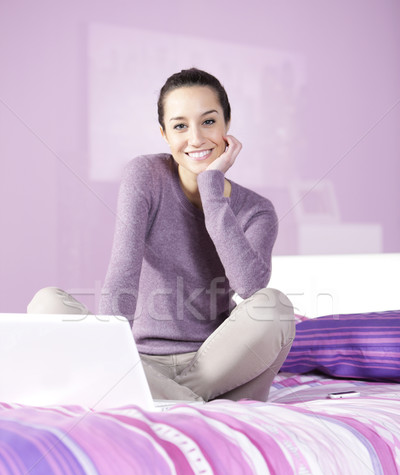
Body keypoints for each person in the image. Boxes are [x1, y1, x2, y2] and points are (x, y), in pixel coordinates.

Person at [28, 68, 295, 403]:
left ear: (227, 125)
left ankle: (158, 397)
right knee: (46, 304)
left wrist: (212, 189)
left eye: (209, 121)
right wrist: (115, 355)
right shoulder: (145, 175)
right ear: (165, 135)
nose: (196, 138)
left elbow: (250, 286)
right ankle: (182, 401)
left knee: (275, 307)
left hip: (215, 363)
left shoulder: (257, 210)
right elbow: (123, 269)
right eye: (180, 126)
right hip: (141, 362)